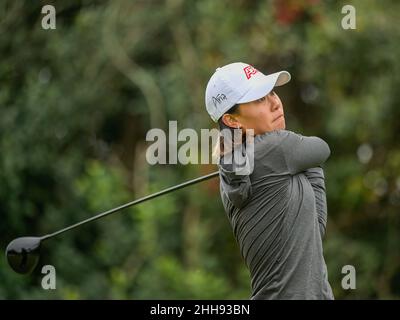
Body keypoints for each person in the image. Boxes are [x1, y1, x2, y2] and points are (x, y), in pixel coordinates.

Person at [204, 62, 334, 300]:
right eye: (260, 98)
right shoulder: (275, 150)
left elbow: (315, 228)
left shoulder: (243, 164)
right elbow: (322, 148)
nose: (275, 102)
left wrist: (304, 160)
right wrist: (301, 153)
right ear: (232, 121)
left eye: (272, 92)